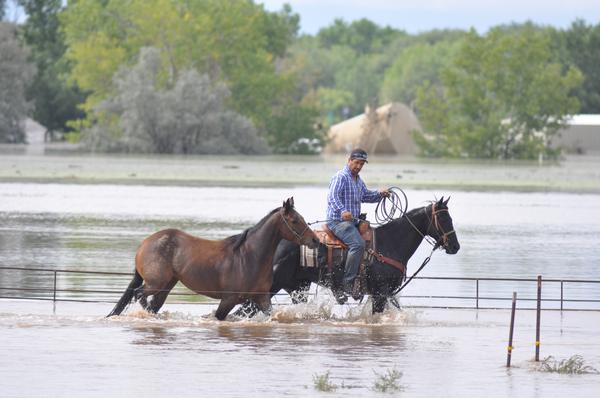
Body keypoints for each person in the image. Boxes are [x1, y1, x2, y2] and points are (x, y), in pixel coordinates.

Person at [326, 148, 390, 300]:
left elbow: (367, 196)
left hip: (352, 223)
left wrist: (381, 194)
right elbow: (332, 197)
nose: (359, 166)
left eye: (362, 164)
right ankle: (347, 282)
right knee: (358, 244)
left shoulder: (358, 181)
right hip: (337, 221)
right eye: (356, 163)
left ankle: (364, 279)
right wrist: (342, 211)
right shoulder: (340, 177)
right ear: (349, 161)